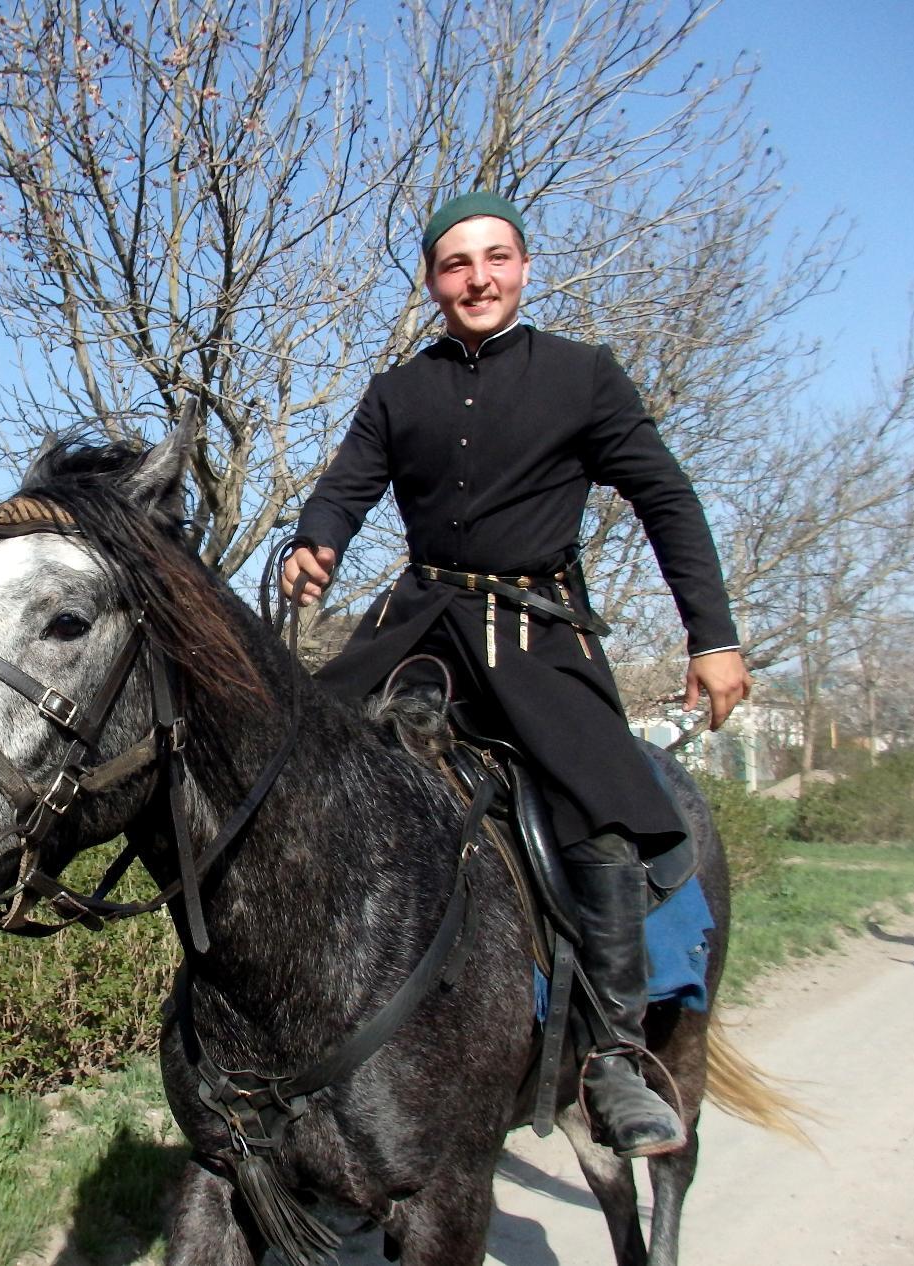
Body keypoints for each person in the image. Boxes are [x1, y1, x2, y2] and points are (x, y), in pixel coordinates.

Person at [281, 191, 751, 1158]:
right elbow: (344, 488)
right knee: (302, 769)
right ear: (432, 282)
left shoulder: (583, 377)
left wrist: (713, 636)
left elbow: (666, 496)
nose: (478, 279)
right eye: (457, 265)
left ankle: (615, 1057)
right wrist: (315, 540)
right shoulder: (394, 393)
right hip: (416, 634)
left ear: (525, 268)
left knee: (603, 808)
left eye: (496, 259)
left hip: (535, 638)